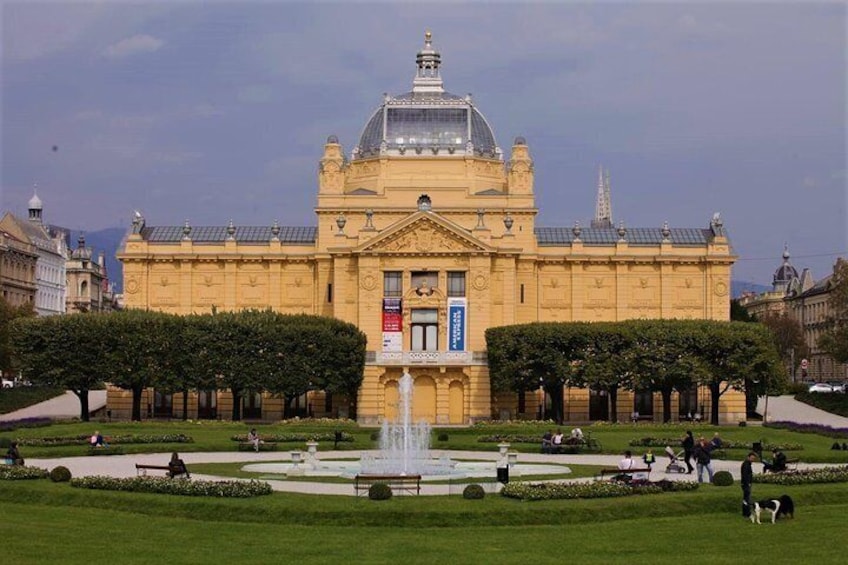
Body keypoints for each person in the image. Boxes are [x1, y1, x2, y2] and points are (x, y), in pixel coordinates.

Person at [741, 451, 757, 518]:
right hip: (746, 484)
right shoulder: (746, 464)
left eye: (754, 459)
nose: (753, 460)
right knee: (746, 499)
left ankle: (745, 512)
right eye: (752, 458)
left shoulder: (747, 464)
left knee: (746, 498)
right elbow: (745, 475)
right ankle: (747, 513)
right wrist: (748, 483)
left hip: (746, 483)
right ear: (748, 457)